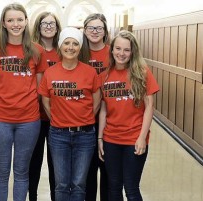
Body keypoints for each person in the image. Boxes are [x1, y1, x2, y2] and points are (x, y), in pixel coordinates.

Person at [0, 3, 49, 201]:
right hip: (0, 120)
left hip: (29, 121)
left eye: (20, 19)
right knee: (2, 172)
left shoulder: (37, 50)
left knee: (21, 172)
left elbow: (39, 88)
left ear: (26, 21)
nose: (15, 24)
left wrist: (24, 104)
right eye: (10, 20)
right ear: (3, 23)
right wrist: (8, 104)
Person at [38, 27, 101, 201]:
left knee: (79, 183)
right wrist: (59, 120)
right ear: (60, 46)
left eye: (75, 43)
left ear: (80, 48)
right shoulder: (50, 73)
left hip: (85, 135)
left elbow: (96, 101)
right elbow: (45, 101)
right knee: (61, 184)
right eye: (67, 43)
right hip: (58, 135)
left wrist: (84, 118)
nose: (71, 47)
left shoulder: (90, 72)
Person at [98, 30, 159, 201]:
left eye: (126, 50)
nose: (121, 53)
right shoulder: (105, 75)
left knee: (131, 188)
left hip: (134, 139)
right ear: (112, 50)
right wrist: (100, 138)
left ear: (133, 52)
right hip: (111, 140)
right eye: (118, 48)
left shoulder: (142, 72)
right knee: (113, 188)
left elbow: (149, 107)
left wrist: (142, 138)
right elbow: (103, 109)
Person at [29, 11, 61, 201]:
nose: (48, 27)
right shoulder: (31, 50)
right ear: (38, 27)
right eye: (44, 23)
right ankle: (32, 196)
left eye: (52, 24)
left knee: (56, 165)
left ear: (57, 28)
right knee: (33, 163)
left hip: (59, 118)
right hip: (34, 117)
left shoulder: (65, 49)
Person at [79, 13, 110, 201]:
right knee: (88, 171)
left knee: (107, 169)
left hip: (109, 116)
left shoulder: (112, 52)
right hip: (85, 117)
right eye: (91, 28)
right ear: (84, 30)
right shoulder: (78, 52)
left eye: (99, 28)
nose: (95, 31)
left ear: (105, 31)